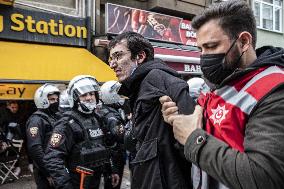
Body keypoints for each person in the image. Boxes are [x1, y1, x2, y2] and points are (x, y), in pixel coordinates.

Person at [160, 1, 284, 189]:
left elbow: (263, 177)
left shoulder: (274, 89)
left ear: (243, 42)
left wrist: (193, 138)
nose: (204, 57)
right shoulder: (218, 86)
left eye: (211, 46)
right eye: (200, 49)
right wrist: (179, 124)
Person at [108, 31, 195, 189]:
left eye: (118, 56)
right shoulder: (140, 86)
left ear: (140, 57)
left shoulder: (159, 79)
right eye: (111, 58)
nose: (112, 64)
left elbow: (192, 138)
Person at [44, 75, 120, 189]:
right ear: (75, 98)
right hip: (76, 183)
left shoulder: (97, 119)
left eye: (92, 94)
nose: (89, 98)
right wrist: (66, 185)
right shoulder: (67, 123)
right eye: (84, 95)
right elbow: (52, 158)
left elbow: (104, 147)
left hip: (95, 181)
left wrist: (112, 171)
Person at [26, 84, 60, 189]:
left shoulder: (54, 117)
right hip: (45, 172)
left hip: (57, 167)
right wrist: (48, 173)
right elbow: (35, 149)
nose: (55, 102)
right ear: (43, 101)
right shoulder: (36, 120)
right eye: (52, 99)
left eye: (56, 99)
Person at [100, 80, 127, 189]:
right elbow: (122, 137)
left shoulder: (105, 110)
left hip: (110, 157)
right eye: (119, 94)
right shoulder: (112, 116)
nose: (122, 97)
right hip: (114, 158)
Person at [0, 101, 24, 176]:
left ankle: (17, 167)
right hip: (7, 137)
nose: (14, 109)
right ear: (9, 107)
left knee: (15, 151)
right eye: (12, 107)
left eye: (16, 107)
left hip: (17, 137)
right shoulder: (6, 114)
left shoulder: (20, 115)